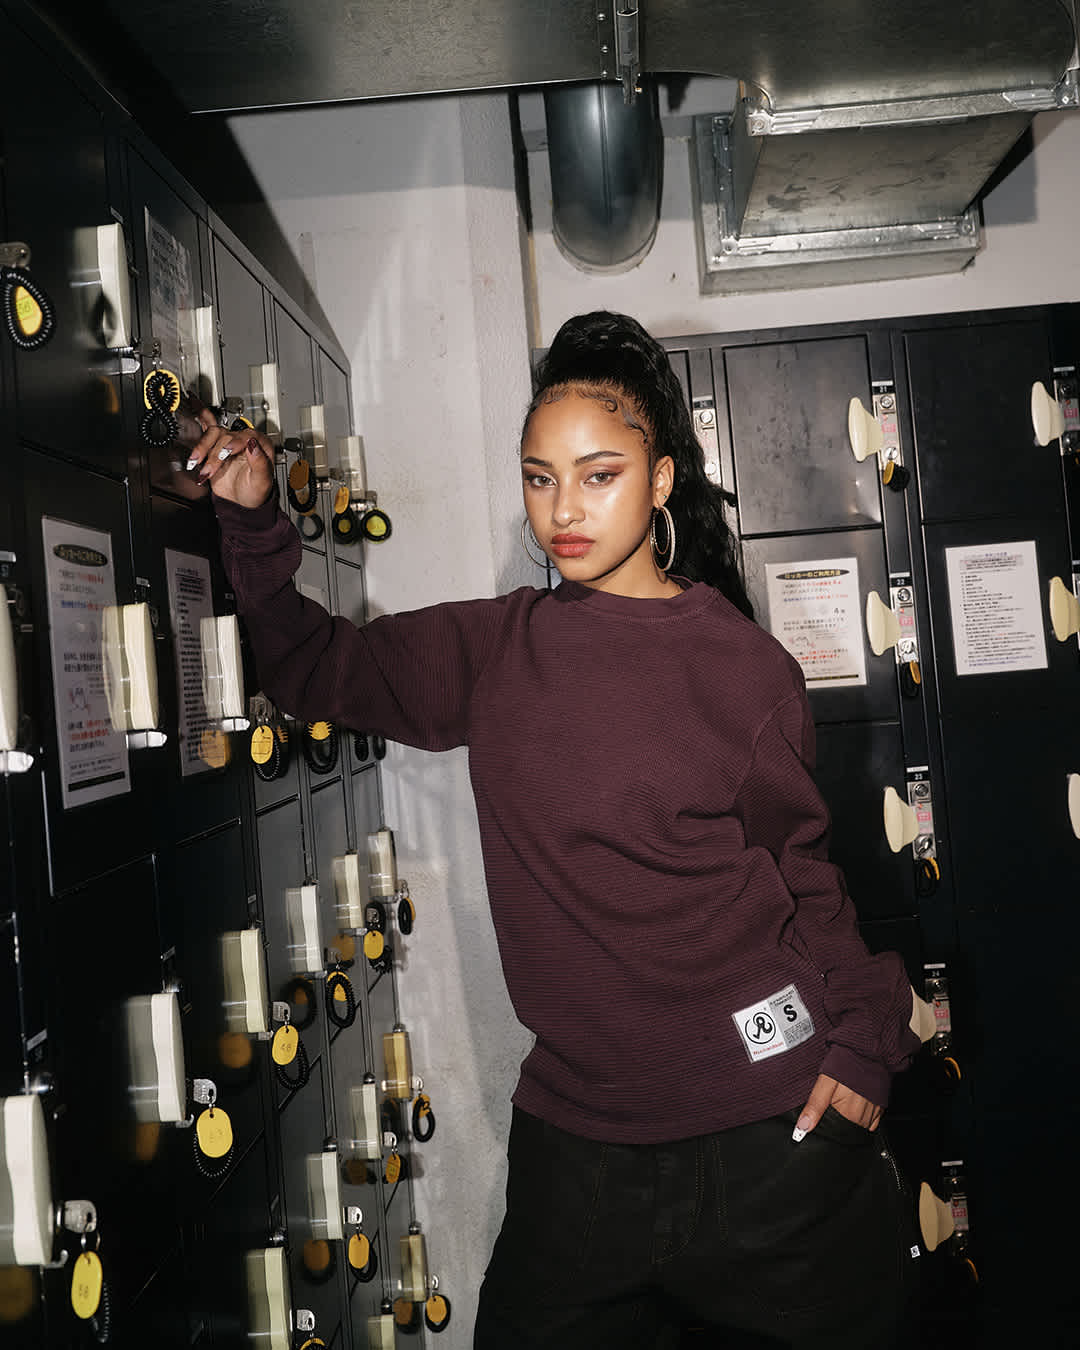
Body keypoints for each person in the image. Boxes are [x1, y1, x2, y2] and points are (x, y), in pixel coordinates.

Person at [190, 311, 923, 1349]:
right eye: (539, 480)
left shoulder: (746, 670)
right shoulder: (498, 650)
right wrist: (255, 526)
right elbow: (318, 669)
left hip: (768, 1135)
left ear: (660, 482)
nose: (563, 511)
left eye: (598, 476)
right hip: (582, 1153)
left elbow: (806, 883)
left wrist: (864, 1044)